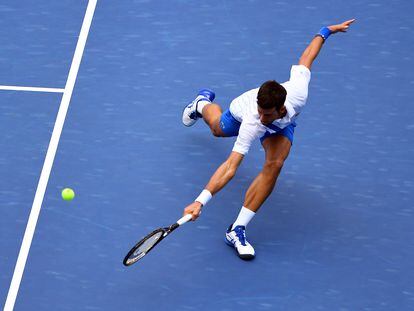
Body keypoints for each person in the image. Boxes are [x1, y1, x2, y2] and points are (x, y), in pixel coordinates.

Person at [181, 19, 355, 260]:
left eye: (268, 113)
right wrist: (200, 201)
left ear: (281, 107)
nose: (262, 117)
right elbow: (231, 167)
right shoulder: (253, 119)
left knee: (275, 165)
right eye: (261, 111)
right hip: (239, 116)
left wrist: (326, 31)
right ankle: (201, 104)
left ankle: (236, 229)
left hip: (282, 128)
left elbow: (307, 58)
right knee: (217, 129)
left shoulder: (298, 92)